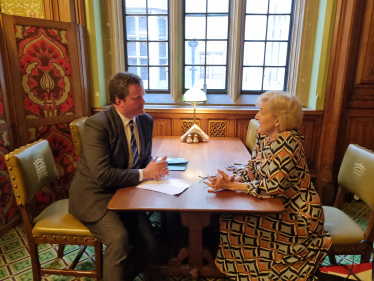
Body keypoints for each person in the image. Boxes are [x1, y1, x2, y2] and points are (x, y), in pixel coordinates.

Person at [205, 91, 331, 281]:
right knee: (230, 217)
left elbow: (274, 186)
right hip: (276, 202)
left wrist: (232, 188)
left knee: (233, 221)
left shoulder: (289, 141)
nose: (256, 116)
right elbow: (253, 166)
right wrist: (234, 180)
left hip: (296, 213)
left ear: (277, 120)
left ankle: (254, 272)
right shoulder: (264, 135)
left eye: (262, 113)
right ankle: (234, 267)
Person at [69, 72, 169, 281]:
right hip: (94, 195)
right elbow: (103, 176)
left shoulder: (145, 121)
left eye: (143, 95)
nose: (144, 101)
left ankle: (126, 270)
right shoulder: (97, 125)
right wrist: (144, 173)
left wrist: (153, 167)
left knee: (154, 246)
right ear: (119, 101)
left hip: (125, 192)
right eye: (137, 98)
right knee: (119, 239)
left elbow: (142, 157)